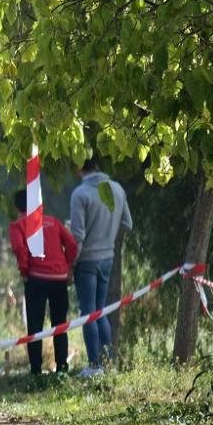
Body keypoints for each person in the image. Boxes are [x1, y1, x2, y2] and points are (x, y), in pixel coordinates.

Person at [69, 156, 133, 376]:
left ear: (80, 168)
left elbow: (77, 235)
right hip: (108, 257)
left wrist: (71, 263)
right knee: (102, 310)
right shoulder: (117, 189)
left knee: (88, 312)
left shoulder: (80, 194)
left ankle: (94, 365)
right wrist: (108, 236)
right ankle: (110, 364)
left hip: (86, 260)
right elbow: (127, 224)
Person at [8, 189, 78, 375]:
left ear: (17, 207)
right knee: (60, 324)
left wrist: (24, 271)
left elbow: (19, 249)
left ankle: (36, 371)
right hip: (59, 279)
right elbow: (71, 244)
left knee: (35, 326)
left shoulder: (18, 225)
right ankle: (62, 368)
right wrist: (68, 266)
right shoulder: (53, 221)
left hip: (36, 279)